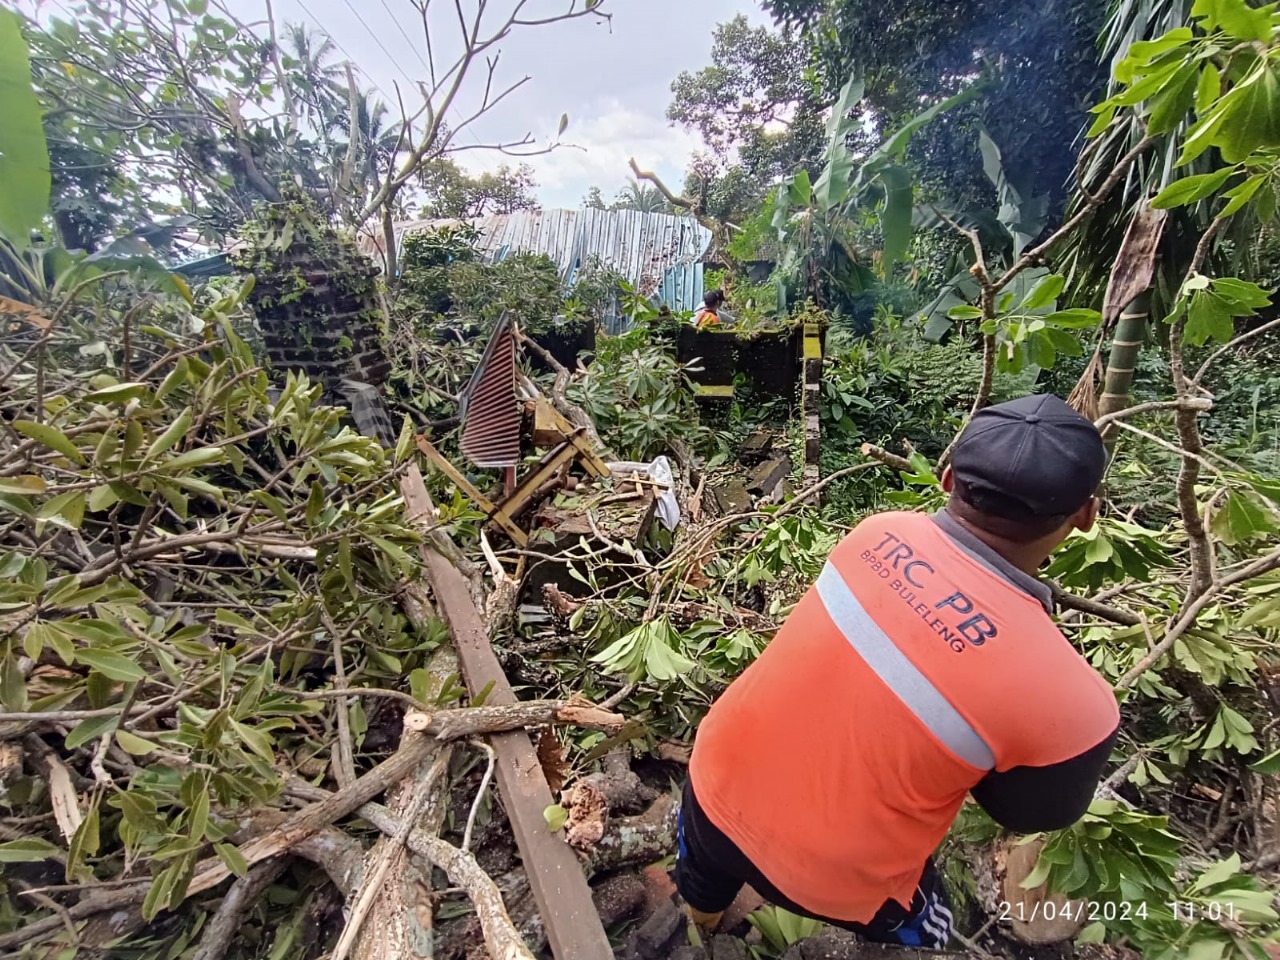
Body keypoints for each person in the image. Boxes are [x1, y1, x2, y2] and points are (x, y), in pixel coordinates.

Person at [675, 393, 1121, 948]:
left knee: (704, 865)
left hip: (712, 776)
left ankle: (698, 923)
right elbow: (1026, 812)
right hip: (831, 875)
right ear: (1085, 514)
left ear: (949, 477)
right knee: (933, 927)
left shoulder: (874, 533)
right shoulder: (1078, 705)